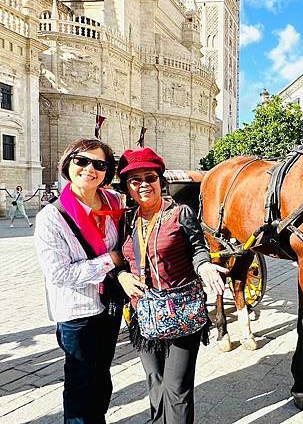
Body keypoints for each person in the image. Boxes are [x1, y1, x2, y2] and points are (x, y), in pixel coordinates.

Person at [116, 147, 227, 424]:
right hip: (143, 314)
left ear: (160, 181)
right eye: (135, 180)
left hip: (181, 311)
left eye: (150, 177)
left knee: (176, 388)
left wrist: (204, 266)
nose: (144, 184)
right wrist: (121, 276)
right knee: (155, 382)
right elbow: (118, 259)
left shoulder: (180, 213)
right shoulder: (125, 219)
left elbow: (198, 248)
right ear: (128, 187)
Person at [34, 138, 125, 424]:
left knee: (102, 377)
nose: (89, 169)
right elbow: (59, 274)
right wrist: (111, 260)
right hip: (77, 313)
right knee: (80, 385)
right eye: (81, 161)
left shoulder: (113, 202)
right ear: (68, 163)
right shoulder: (52, 217)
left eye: (99, 164)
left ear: (107, 172)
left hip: (108, 306)